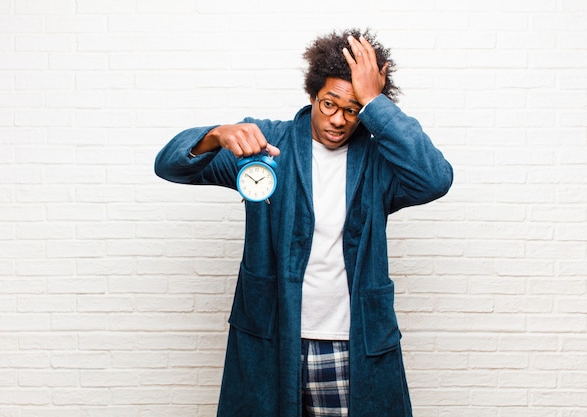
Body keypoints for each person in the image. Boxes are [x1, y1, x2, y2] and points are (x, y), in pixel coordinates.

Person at [155, 28, 453, 417]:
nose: (338, 120)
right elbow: (169, 166)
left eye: (353, 109)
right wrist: (215, 135)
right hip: (274, 340)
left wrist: (376, 103)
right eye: (329, 103)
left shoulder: (379, 161)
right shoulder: (265, 146)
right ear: (313, 95)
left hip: (353, 344)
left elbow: (435, 178)